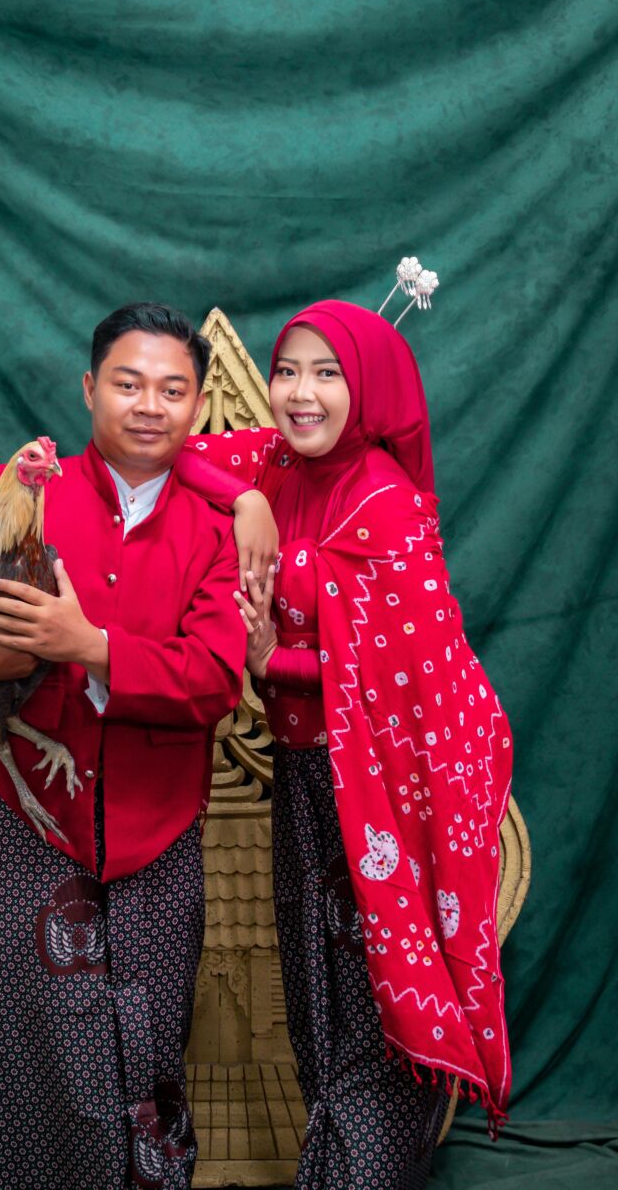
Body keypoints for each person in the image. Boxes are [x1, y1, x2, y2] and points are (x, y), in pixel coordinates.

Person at [0, 302, 278, 1190]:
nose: (149, 406)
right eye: (128, 384)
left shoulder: (215, 524)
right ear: (89, 388)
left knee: (150, 1047)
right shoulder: (14, 492)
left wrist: (86, 643)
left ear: (197, 402)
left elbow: (214, 679)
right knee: (47, 1050)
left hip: (159, 826)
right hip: (35, 822)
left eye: (172, 389)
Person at [179, 300, 513, 1189]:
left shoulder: (387, 505)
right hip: (306, 775)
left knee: (378, 1001)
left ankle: (362, 1173)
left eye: (327, 373)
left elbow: (398, 684)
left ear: (368, 390)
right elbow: (172, 450)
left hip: (389, 786)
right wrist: (249, 498)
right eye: (287, 370)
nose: (300, 392)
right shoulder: (275, 464)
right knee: (316, 996)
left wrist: (269, 662)